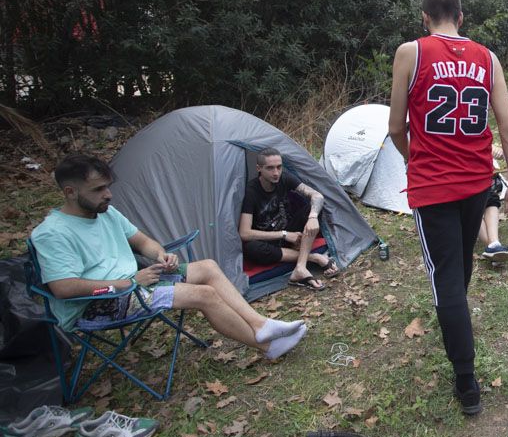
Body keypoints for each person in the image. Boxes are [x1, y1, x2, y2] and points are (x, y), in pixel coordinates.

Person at [388, 0, 508, 416]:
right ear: (461, 17)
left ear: (424, 17)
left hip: (434, 187)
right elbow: (507, 128)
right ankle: (456, 322)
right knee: (459, 265)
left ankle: (466, 379)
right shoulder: (489, 58)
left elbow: (395, 128)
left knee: (448, 277)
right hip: (477, 183)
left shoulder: (411, 52)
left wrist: (419, 161)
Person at [31, 155, 307, 361]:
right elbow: (63, 288)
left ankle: (260, 325)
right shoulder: (52, 234)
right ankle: (268, 347)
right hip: (103, 301)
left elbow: (141, 241)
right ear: (70, 192)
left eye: (108, 187)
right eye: (98, 189)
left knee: (208, 267)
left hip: (137, 283)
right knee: (205, 295)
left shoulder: (106, 212)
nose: (108, 195)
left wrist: (161, 255)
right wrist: (126, 283)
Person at [238, 148, 337, 290]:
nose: (276, 172)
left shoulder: (284, 178)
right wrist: (284, 235)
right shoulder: (251, 191)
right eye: (270, 168)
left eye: (279, 167)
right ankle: (314, 257)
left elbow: (317, 196)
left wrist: (313, 217)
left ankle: (300, 267)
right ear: (259, 168)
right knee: (251, 248)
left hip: (291, 231)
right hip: (269, 241)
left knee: (315, 207)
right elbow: (244, 233)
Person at [478, 146, 508, 263]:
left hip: (478, 176)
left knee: (490, 197)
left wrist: (494, 149)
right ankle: (493, 247)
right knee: (472, 205)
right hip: (452, 179)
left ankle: (494, 244)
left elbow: (483, 143)